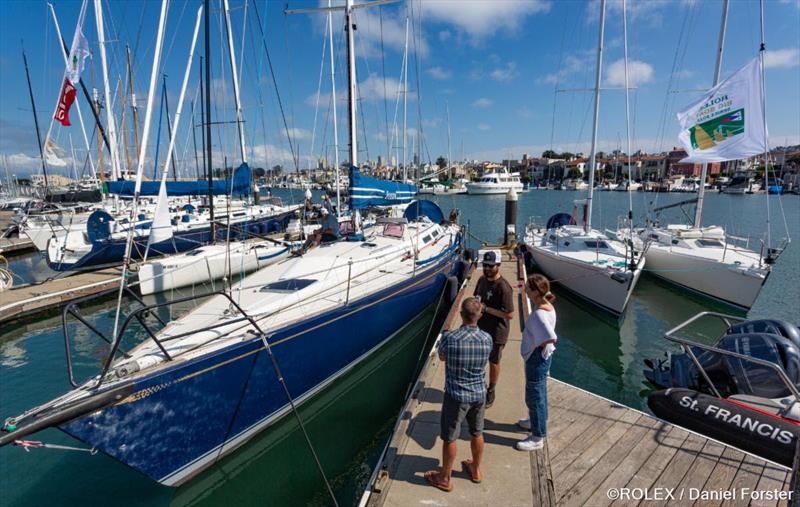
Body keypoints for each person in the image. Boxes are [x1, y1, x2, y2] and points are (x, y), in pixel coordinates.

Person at [425, 297, 493, 492]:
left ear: (462, 315)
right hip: (479, 394)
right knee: (477, 432)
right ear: (479, 315)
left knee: (450, 437)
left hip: (456, 395)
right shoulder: (487, 338)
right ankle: (476, 470)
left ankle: (445, 478)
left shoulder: (450, 338)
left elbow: (442, 356)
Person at [516, 274, 557, 451]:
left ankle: (537, 437)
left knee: (534, 396)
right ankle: (537, 420)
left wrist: (537, 344)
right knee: (539, 393)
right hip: (541, 357)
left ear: (534, 292)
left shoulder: (539, 315)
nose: (524, 289)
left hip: (536, 357)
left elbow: (551, 338)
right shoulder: (548, 306)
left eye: (527, 288)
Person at [473, 251, 514, 408]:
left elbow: (510, 314)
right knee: (479, 358)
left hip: (497, 331)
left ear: (498, 265)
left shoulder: (504, 287)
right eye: (485, 265)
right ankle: (479, 384)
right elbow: (476, 297)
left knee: (494, 361)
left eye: (491, 266)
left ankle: (492, 389)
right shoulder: (482, 280)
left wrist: (486, 309)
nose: (487, 268)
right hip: (481, 328)